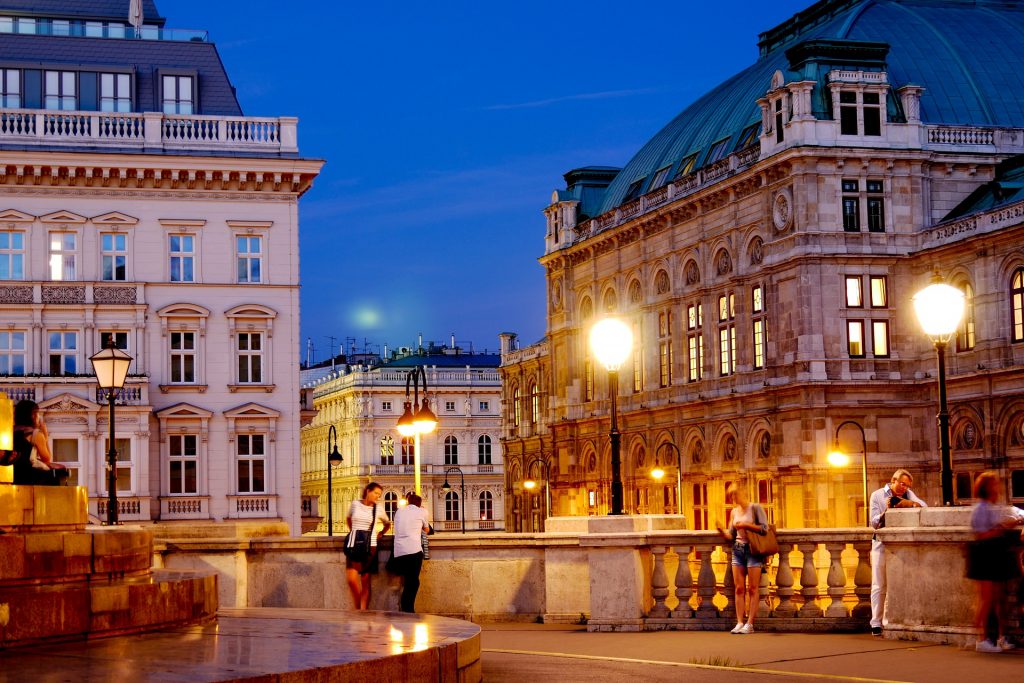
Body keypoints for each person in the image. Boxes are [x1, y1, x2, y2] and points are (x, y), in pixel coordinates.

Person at [967, 471, 1024, 653]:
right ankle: (980, 639)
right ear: (987, 488)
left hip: (993, 555)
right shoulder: (980, 508)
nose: (997, 487)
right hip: (985, 557)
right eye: (994, 484)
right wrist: (1003, 526)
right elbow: (981, 534)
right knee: (987, 599)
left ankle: (1001, 637)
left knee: (999, 599)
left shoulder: (991, 507)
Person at [868, 468, 926, 636]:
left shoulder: (908, 494)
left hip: (900, 545)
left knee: (896, 584)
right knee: (879, 584)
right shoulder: (877, 495)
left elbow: (924, 506)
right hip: (880, 544)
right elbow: (873, 523)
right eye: (902, 484)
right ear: (892, 480)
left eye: (907, 486)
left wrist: (908, 503)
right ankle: (876, 622)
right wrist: (887, 511)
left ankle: (889, 620)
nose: (904, 488)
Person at [717, 483, 769, 634]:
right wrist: (721, 530)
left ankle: (750, 624)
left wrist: (746, 525)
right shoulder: (734, 511)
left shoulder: (755, 508)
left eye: (735, 494)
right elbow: (731, 535)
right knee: (739, 588)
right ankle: (740, 622)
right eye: (731, 495)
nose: (733, 497)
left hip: (753, 550)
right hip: (738, 550)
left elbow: (764, 529)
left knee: (753, 589)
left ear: (743, 492)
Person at [345, 482, 391, 610]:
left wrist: (381, 533)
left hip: (370, 546)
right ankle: (357, 606)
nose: (378, 496)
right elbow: (349, 518)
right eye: (376, 493)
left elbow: (387, 523)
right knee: (351, 579)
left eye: (379, 494)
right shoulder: (355, 504)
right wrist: (354, 532)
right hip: (353, 545)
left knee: (365, 580)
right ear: (368, 491)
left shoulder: (378, 508)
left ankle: (362, 610)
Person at [391, 492, 431, 612]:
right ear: (419, 504)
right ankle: (408, 610)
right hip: (413, 551)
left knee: (410, 581)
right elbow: (427, 530)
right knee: (413, 582)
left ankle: (407, 609)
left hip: (398, 552)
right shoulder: (422, 511)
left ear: (408, 502)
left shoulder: (399, 511)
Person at [12, 400, 67, 486]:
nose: (39, 417)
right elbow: (47, 458)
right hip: (29, 476)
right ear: (33, 415)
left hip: (14, 474)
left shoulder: (11, 431)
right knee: (59, 472)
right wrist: (45, 435)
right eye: (38, 413)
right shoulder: (35, 434)